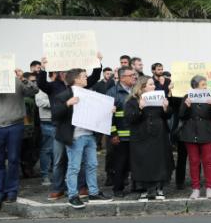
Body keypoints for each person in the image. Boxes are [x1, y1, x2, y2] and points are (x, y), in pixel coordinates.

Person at [52, 68, 114, 209]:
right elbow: (55, 115)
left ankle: (93, 193)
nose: (87, 78)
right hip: (75, 137)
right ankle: (73, 196)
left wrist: (108, 111)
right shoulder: (63, 95)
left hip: (89, 135)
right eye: (84, 76)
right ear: (76, 79)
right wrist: (67, 104)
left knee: (92, 165)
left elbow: (96, 112)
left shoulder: (90, 94)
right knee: (74, 167)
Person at [0, 68, 39, 210]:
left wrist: (23, 79)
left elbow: (34, 91)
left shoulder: (16, 82)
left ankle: (12, 191)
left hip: (14, 126)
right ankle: (0, 192)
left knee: (13, 159)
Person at [124, 76, 172, 201]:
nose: (154, 87)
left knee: (159, 161)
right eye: (151, 84)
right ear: (143, 87)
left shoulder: (159, 98)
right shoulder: (132, 101)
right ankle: (144, 189)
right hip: (141, 136)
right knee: (143, 162)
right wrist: (140, 108)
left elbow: (167, 116)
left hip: (158, 135)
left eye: (153, 84)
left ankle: (159, 189)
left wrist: (166, 108)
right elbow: (130, 119)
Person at [179, 75, 211, 199]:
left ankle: (209, 187)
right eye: (203, 85)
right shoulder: (187, 97)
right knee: (193, 161)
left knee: (208, 161)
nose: (205, 87)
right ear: (195, 86)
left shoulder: (210, 97)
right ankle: (195, 188)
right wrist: (185, 106)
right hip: (190, 133)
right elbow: (181, 115)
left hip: (206, 133)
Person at [106, 66, 137, 197]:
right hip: (121, 137)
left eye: (135, 75)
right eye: (131, 75)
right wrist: (113, 134)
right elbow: (108, 116)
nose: (134, 77)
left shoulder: (136, 91)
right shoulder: (112, 92)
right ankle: (118, 189)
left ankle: (137, 186)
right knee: (120, 163)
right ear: (123, 77)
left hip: (136, 135)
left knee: (135, 162)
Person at [33, 78, 55, 187]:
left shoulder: (62, 86)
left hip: (60, 121)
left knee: (59, 150)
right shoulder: (43, 86)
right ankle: (45, 176)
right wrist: (57, 102)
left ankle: (58, 176)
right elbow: (40, 102)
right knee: (47, 150)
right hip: (47, 122)